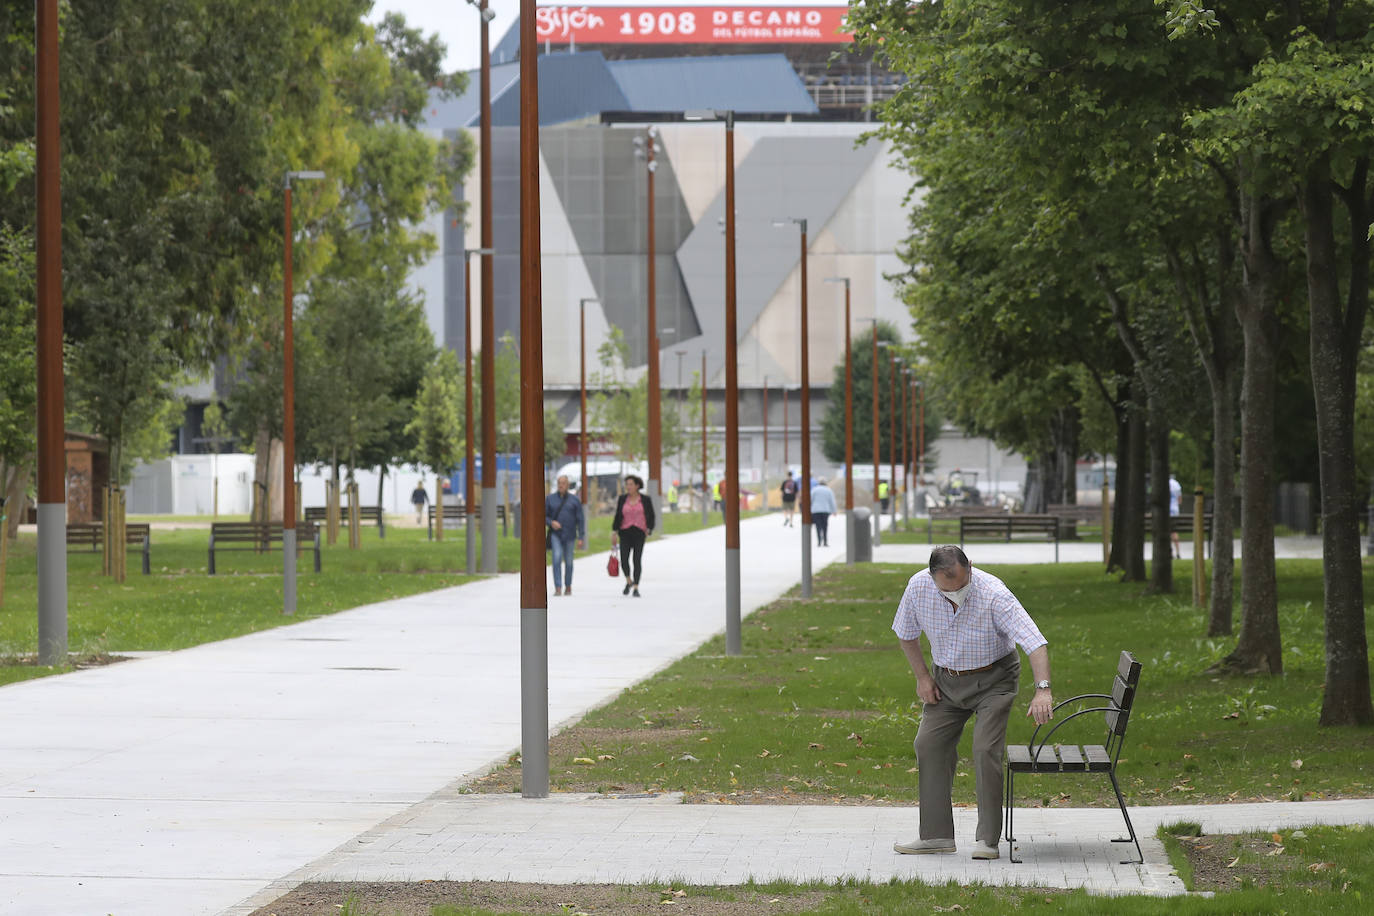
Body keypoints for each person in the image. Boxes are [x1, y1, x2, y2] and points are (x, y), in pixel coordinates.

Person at [891, 545, 1053, 861]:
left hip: (994, 679)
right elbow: (905, 632)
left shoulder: (995, 594)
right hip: (946, 679)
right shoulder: (918, 586)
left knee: (984, 749)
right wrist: (923, 677)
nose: (955, 595)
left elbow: (1034, 642)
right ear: (932, 577)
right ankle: (936, 836)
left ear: (970, 568)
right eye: (946, 589)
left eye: (960, 586)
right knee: (928, 744)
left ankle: (987, 840)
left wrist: (1042, 690)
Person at [611, 474, 655, 598]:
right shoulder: (622, 499)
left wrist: (649, 529)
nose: (628, 487)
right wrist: (614, 531)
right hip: (625, 532)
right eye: (627, 484)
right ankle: (629, 580)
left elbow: (651, 515)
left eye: (631, 484)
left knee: (637, 559)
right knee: (624, 559)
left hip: (639, 532)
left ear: (637, 486)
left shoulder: (645, 499)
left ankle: (636, 587)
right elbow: (618, 515)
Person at [545, 475, 586, 597]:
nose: (561, 485)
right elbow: (544, 515)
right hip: (556, 535)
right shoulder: (550, 499)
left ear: (568, 485)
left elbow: (580, 519)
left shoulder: (574, 500)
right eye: (559, 483)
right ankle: (558, 587)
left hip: (570, 535)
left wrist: (581, 537)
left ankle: (568, 586)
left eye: (563, 483)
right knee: (556, 559)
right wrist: (551, 522)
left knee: (569, 562)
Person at [810, 476, 837, 547]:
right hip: (825, 510)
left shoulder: (814, 490)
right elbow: (832, 501)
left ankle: (819, 541)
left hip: (815, 510)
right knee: (825, 526)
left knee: (818, 526)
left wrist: (809, 509)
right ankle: (825, 541)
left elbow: (810, 500)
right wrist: (834, 510)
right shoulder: (828, 490)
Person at [1168, 474, 1183, 559]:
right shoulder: (1177, 484)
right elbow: (1180, 500)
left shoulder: (1163, 483)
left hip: (1167, 511)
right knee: (1174, 532)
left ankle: (1170, 553)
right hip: (1175, 511)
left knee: (1168, 532)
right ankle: (1178, 552)